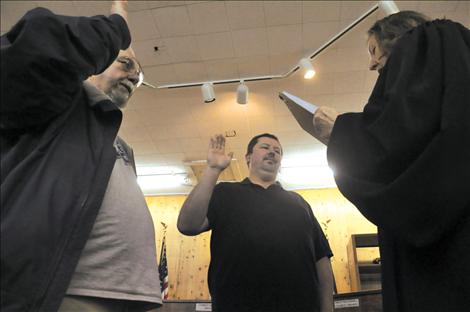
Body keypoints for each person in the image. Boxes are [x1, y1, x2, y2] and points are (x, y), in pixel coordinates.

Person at [1, 1, 163, 311]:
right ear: (94, 62)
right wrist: (113, 30)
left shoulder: (119, 143)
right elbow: (32, 48)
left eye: (139, 76)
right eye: (126, 64)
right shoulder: (55, 106)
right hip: (68, 291)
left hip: (133, 296)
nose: (133, 77)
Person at [310, 11, 470, 312]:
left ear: (400, 38)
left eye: (374, 51)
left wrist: (341, 131)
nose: (372, 64)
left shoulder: (427, 43)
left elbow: (397, 142)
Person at [177, 133, 334, 312]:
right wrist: (213, 169)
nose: (272, 152)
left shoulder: (299, 203)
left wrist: (327, 308)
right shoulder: (225, 193)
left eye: (277, 151)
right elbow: (187, 225)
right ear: (248, 157)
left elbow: (321, 258)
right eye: (265, 147)